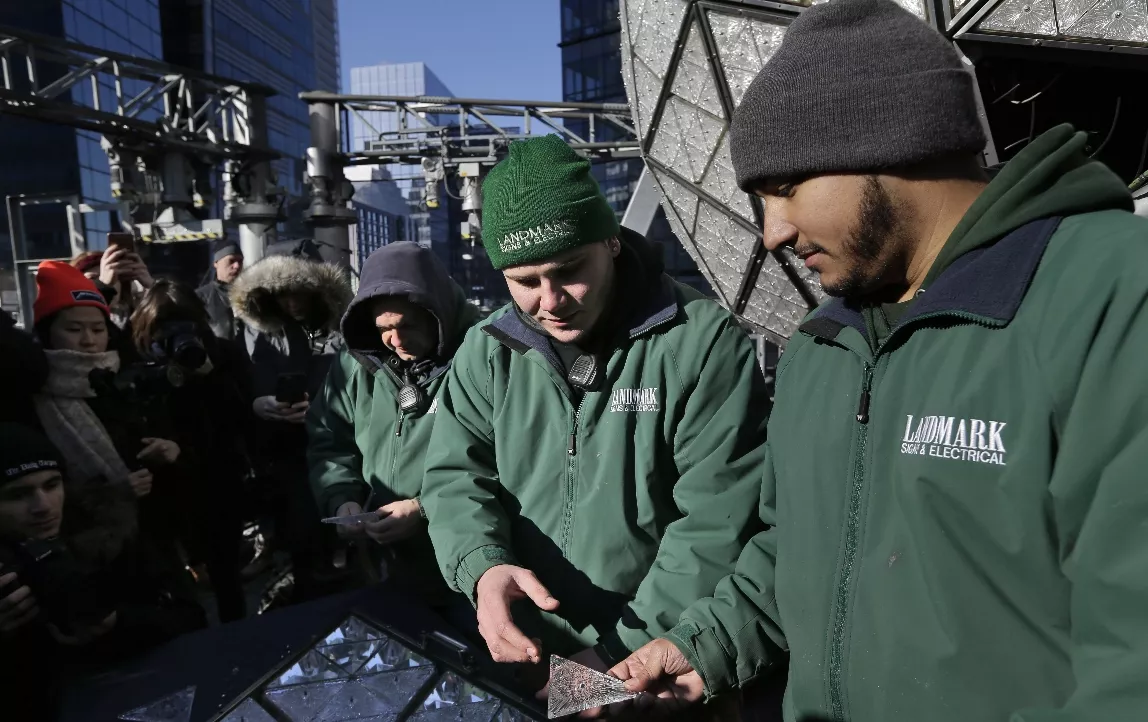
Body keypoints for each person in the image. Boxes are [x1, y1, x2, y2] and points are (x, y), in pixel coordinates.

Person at [609, 2, 1148, 721]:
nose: (772, 233)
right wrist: (703, 646)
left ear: (886, 143)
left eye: (784, 187)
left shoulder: (1111, 296)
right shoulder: (822, 346)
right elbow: (798, 551)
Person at [419, 135, 769, 686]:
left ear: (610, 241)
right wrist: (482, 571)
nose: (551, 301)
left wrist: (620, 653)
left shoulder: (702, 341)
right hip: (526, 650)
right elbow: (454, 478)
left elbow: (716, 521)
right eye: (525, 282)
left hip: (659, 660)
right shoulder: (487, 349)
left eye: (568, 269)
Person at [308, 241, 482, 611]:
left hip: (470, 561)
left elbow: (508, 463)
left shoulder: (484, 357)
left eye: (408, 325)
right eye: (383, 328)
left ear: (437, 313)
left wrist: (424, 508)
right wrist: (342, 499)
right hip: (385, 561)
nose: (396, 341)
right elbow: (329, 440)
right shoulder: (355, 365)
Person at [0, 423, 204, 719]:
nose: (42, 505)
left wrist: (118, 623)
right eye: (18, 495)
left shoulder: (109, 530)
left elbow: (191, 617)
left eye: (51, 485)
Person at [230, 238, 352, 602]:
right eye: (283, 295)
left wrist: (321, 406)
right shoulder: (255, 332)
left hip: (332, 447)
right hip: (277, 452)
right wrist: (256, 404)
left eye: (301, 293)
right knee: (298, 536)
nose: (293, 303)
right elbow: (236, 385)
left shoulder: (340, 329)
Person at [131, 279, 251, 622]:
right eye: (163, 328)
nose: (176, 335)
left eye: (185, 325)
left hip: (217, 482)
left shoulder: (223, 355)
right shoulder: (139, 362)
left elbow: (241, 420)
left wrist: (211, 377)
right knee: (171, 580)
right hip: (160, 490)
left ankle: (236, 642)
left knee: (227, 576)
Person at [196, 238, 244, 340]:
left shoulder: (251, 294)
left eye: (240, 261)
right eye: (231, 261)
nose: (237, 266)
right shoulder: (201, 297)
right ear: (216, 263)